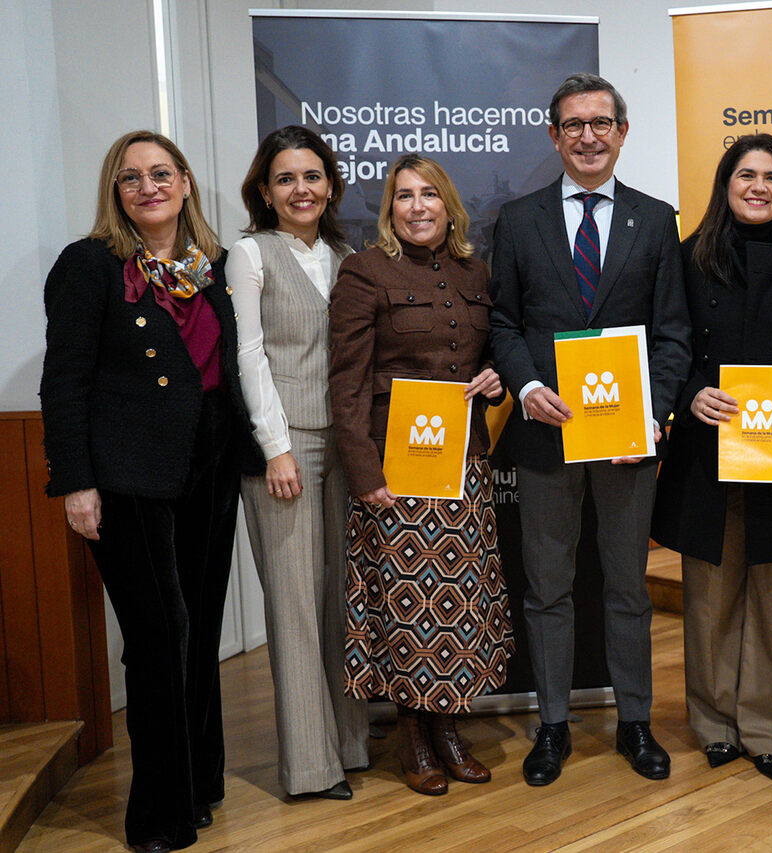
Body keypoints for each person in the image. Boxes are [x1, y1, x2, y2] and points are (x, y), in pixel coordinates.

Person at [40, 130, 264, 853]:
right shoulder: (89, 265)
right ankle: (157, 815)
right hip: (128, 476)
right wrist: (76, 482)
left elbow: (235, 364)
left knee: (197, 629)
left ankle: (198, 785)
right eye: (131, 177)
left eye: (161, 173)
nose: (149, 187)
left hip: (209, 465)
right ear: (116, 191)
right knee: (160, 636)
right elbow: (63, 381)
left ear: (186, 182)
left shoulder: (213, 265)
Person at [488, 72, 692, 786]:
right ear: (554, 136)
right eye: (573, 125)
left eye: (601, 123)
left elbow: (672, 333)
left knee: (628, 586)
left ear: (622, 132)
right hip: (546, 436)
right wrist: (526, 387)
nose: (588, 137)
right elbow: (503, 322)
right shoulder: (519, 220)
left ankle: (635, 720)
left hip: (628, 440)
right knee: (547, 587)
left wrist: (654, 413)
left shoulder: (655, 219)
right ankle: (552, 725)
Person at [650, 134, 772, 780]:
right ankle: (715, 724)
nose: (759, 186)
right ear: (725, 183)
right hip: (709, 451)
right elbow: (666, 344)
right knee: (711, 599)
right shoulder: (690, 254)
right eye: (746, 175)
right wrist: (689, 393)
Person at [328, 154, 514, 796]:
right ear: (390, 210)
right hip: (395, 467)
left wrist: (495, 379)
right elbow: (346, 381)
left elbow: (489, 353)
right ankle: (414, 733)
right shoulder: (364, 272)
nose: (417, 206)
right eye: (403, 196)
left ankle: (449, 727)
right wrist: (363, 470)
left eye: (428, 194)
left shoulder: (475, 273)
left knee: (458, 604)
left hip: (462, 463)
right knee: (409, 608)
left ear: (449, 206)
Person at [227, 125, 368, 801]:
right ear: (265, 191)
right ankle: (311, 768)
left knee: (342, 597)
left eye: (312, 176)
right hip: (286, 449)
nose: (301, 189)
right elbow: (248, 355)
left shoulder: (347, 255)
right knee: (294, 604)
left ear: (331, 186)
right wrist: (274, 447)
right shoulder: (250, 254)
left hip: (348, 445)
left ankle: (351, 744)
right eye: (285, 179)